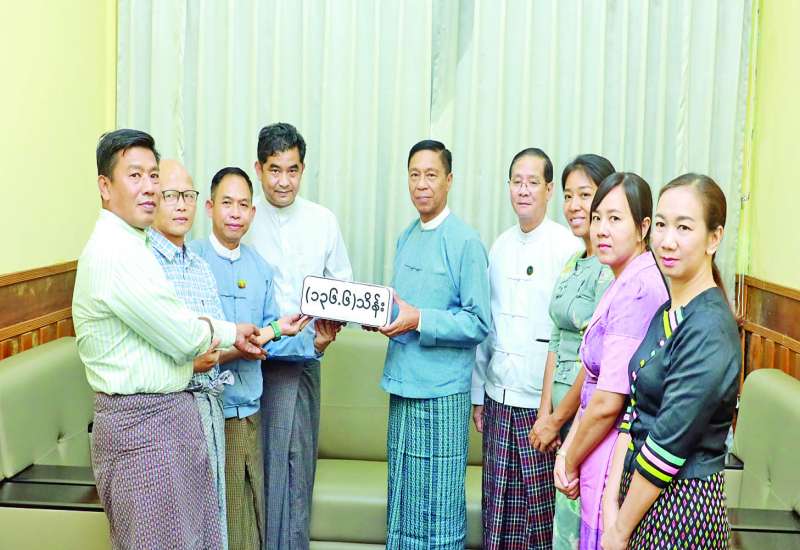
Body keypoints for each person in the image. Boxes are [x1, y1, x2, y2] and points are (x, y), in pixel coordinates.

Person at [72, 129, 263, 549]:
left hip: (165, 423)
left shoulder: (132, 244)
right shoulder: (115, 253)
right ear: (105, 186)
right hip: (142, 429)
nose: (149, 188)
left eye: (153, 175)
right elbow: (183, 336)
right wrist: (231, 331)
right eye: (135, 175)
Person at [190, 166, 341, 550]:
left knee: (251, 517)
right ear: (209, 207)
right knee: (212, 522)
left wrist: (315, 345)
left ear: (252, 212)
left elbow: (271, 338)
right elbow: (191, 342)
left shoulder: (260, 268)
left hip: (250, 412)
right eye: (227, 203)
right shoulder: (193, 262)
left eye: (243, 205)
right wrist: (249, 340)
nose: (235, 213)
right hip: (205, 413)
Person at [601, 174, 739, 550]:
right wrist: (610, 501)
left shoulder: (709, 328)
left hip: (681, 511)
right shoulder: (666, 311)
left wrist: (620, 529)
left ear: (714, 238)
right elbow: (635, 408)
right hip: (637, 499)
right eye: (661, 225)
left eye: (684, 227)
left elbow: (667, 445)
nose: (667, 240)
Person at [374, 139, 491, 548]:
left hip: (442, 393)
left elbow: (478, 322)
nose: (421, 184)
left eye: (431, 175)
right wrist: (382, 318)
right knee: (402, 499)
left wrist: (419, 319)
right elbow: (401, 307)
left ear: (449, 180)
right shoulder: (406, 236)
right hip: (402, 385)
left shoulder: (465, 242)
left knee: (438, 507)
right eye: (414, 175)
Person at [471, 148, 582, 549]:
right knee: (497, 510)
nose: (523, 190)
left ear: (549, 190)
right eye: (516, 182)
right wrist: (478, 394)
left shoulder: (568, 247)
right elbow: (487, 326)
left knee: (539, 515)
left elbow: (569, 338)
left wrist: (553, 412)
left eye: (533, 182)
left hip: (541, 405)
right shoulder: (500, 246)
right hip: (498, 397)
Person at [553, 172, 669, 550]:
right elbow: (593, 381)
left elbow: (608, 401)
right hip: (597, 446)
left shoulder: (638, 289)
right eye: (598, 217)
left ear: (643, 228)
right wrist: (569, 450)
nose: (601, 229)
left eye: (615, 219)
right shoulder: (621, 278)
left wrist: (570, 458)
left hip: (614, 451)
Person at [525, 154, 615, 549]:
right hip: (559, 417)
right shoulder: (573, 262)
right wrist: (544, 414)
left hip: (586, 417)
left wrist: (560, 417)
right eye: (568, 196)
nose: (575, 205)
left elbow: (597, 361)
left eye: (585, 195)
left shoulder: (611, 269)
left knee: (579, 528)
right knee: (559, 526)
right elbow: (556, 338)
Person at [149, 159, 232, 547]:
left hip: (209, 407)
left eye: (188, 195)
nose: (182, 204)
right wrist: (191, 360)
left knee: (212, 519)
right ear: (152, 198)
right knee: (177, 526)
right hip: (166, 411)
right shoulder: (143, 264)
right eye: (171, 195)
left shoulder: (200, 266)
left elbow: (217, 339)